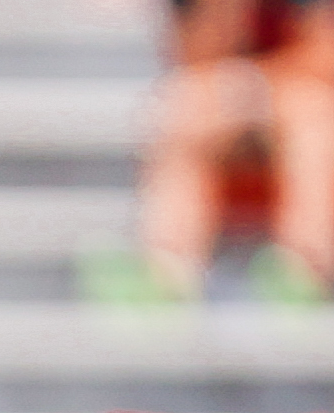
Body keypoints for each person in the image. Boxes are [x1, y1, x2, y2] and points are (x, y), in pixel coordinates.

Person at [100, 0, 334, 303]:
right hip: (246, 105)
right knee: (183, 111)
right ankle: (166, 278)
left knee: (311, 116)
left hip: (306, 104)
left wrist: (261, 82)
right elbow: (194, 63)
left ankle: (304, 272)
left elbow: (324, 62)